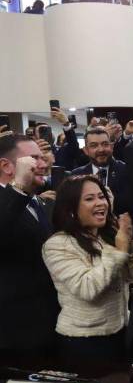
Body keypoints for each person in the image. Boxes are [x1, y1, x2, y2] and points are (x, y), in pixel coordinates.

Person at [42, 175, 133, 362]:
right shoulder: (57, 244)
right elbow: (88, 289)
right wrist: (119, 250)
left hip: (121, 334)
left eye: (101, 196)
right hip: (84, 343)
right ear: (70, 209)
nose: (100, 203)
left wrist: (130, 248)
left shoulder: (108, 237)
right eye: (89, 199)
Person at [0, 133, 60, 358]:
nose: (45, 164)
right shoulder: (14, 198)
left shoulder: (37, 200)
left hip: (48, 322)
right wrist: (17, 188)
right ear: (7, 166)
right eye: (35, 158)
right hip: (14, 333)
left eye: (44, 157)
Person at [70, 127, 130, 215]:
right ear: (86, 150)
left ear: (111, 147)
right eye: (94, 145)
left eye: (105, 144)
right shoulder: (76, 175)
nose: (101, 149)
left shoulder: (126, 171)